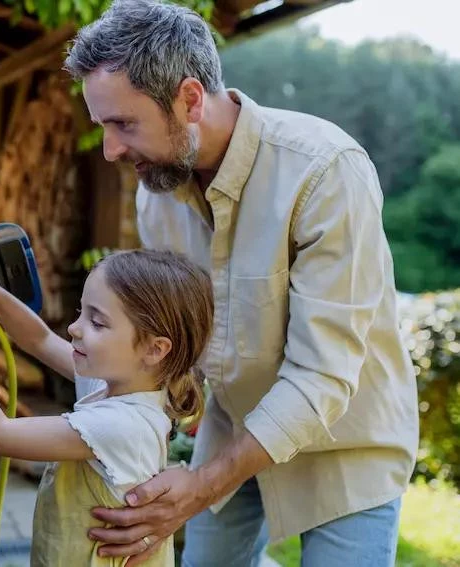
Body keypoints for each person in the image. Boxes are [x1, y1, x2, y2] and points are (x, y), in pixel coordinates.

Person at [62, 1, 420, 566]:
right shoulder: (156, 192)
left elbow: (323, 374)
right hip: (233, 434)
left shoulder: (325, 170)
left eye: (124, 124)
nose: (111, 150)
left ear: (189, 99)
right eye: (103, 125)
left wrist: (201, 486)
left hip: (347, 447)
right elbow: (168, 343)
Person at [0, 250, 214, 565]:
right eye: (81, 312)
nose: (75, 327)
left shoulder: (124, 424)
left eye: (97, 322)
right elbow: (40, 339)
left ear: (155, 349)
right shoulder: (116, 385)